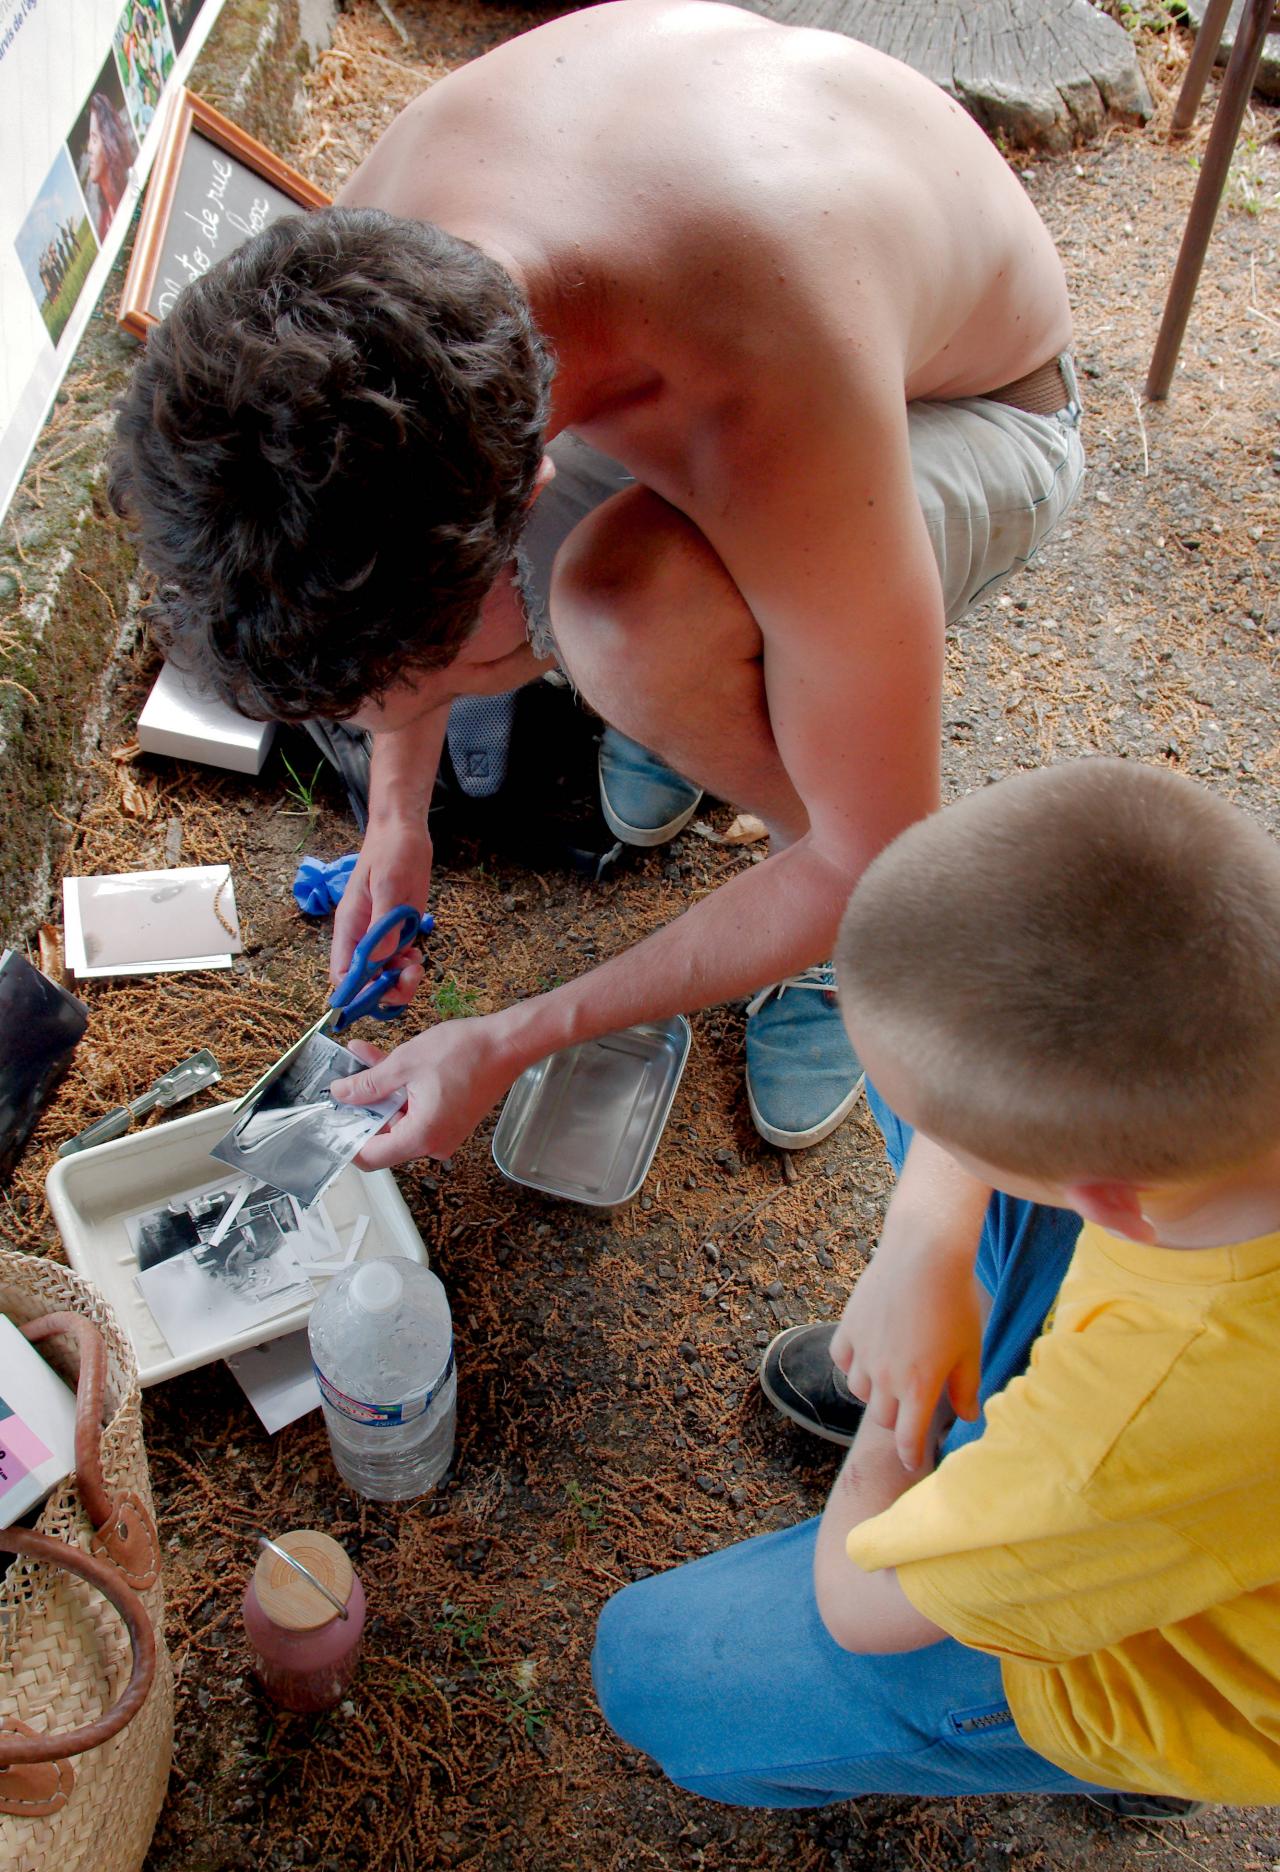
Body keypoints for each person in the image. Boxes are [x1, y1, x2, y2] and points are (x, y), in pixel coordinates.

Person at [109, 0, 1083, 1164]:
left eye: (441, 681)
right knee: (589, 630)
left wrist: (513, 1037)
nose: (420, 711)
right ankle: (689, 709)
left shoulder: (764, 376)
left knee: (623, 622)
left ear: (523, 496)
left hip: (973, 401)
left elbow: (879, 857)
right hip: (665, 283)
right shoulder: (347, 293)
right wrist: (394, 817)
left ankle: (792, 893)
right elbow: (378, 564)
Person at [591, 759, 1280, 1810]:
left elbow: (861, 1607)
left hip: (1168, 1650)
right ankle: (980, 1395)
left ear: (1104, 1200)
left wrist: (896, 1420)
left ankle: (1136, 1764)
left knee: (647, 1668)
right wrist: (919, 1247)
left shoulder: (1118, 1435)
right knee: (944, 1011)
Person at [82, 92, 136, 241]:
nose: (88, 149)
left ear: (107, 142)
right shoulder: (104, 221)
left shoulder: (130, 191)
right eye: (89, 140)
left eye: (94, 139)